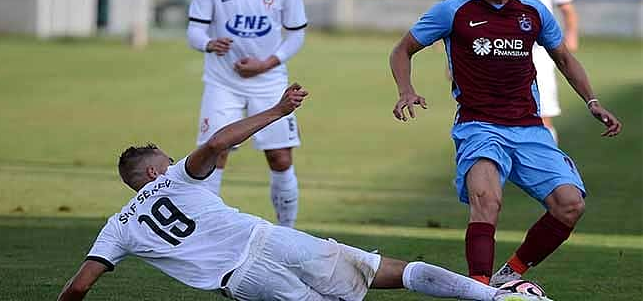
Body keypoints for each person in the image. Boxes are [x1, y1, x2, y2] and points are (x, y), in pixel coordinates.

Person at [57, 84, 547, 301]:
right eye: (162, 161)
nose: (169, 165)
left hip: (241, 282)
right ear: (149, 174)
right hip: (270, 241)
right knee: (382, 270)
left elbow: (79, 287)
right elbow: (219, 141)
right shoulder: (175, 178)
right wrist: (276, 110)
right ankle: (497, 298)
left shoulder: (116, 228)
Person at [389, 0, 621, 288]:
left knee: (570, 205)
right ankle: (479, 288)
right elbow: (402, 50)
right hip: (478, 127)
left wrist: (592, 101)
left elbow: (565, 59)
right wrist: (406, 90)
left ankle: (510, 273)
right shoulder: (452, 11)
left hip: (529, 127)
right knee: (487, 200)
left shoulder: (533, 12)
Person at [186, 0, 307, 228]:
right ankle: (207, 229)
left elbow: (296, 36)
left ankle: (287, 231)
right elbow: (194, 30)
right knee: (214, 152)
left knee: (279, 157)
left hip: (269, 84)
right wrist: (208, 43)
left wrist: (266, 63)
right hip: (222, 82)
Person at [511, 0, 579, 142]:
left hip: (539, 52)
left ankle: (548, 163)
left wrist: (571, 35)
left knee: (543, 113)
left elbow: (567, 9)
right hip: (504, 52)